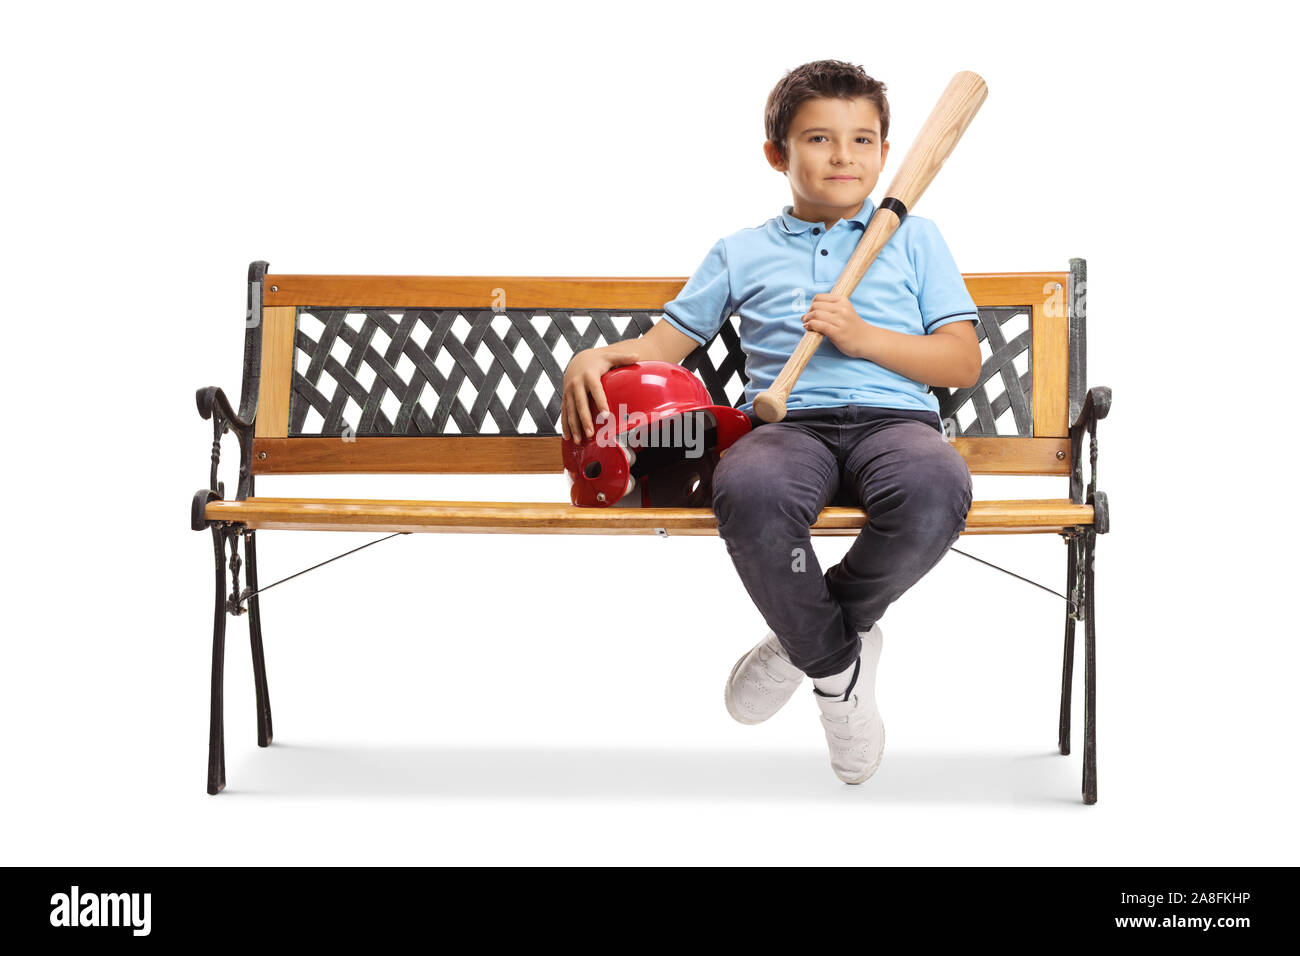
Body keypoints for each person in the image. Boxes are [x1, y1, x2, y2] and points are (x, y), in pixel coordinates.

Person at [560, 59, 980, 785]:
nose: (844, 156)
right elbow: (667, 346)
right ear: (776, 155)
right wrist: (595, 355)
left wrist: (862, 337)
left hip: (898, 425)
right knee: (748, 491)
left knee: (934, 493)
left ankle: (807, 645)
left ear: (886, 152)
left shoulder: (916, 238)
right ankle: (841, 663)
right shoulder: (741, 251)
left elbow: (960, 362)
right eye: (819, 139)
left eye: (864, 139)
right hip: (790, 428)